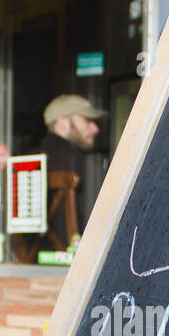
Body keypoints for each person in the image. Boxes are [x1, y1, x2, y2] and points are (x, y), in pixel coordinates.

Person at [40, 94, 106, 247]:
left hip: (36, 264)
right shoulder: (83, 163)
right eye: (87, 120)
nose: (95, 128)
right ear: (62, 122)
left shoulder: (28, 161)